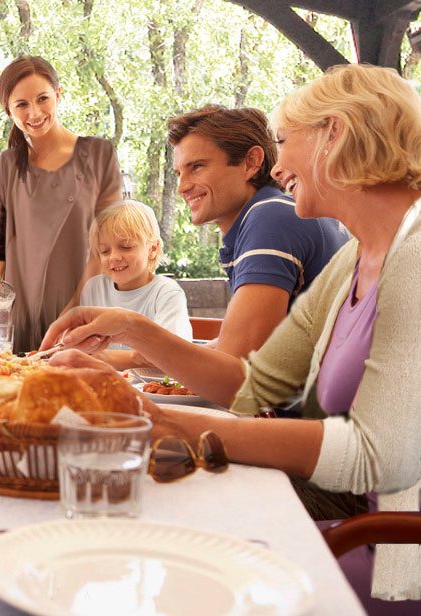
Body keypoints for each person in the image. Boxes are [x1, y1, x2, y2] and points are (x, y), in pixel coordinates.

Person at [43, 64, 421, 612]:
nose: (280, 161)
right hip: (350, 506)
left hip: (386, 542)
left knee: (170, 546)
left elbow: (371, 455)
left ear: (336, 135)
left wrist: (162, 416)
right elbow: (251, 384)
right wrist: (128, 354)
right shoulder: (353, 263)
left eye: (287, 141)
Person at [164, 104, 348, 359]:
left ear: (251, 163)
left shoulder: (271, 217)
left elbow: (234, 368)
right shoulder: (273, 212)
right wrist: (132, 358)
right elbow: (229, 345)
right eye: (179, 173)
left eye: (197, 167)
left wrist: (133, 329)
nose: (182, 187)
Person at [0, 55, 122, 353]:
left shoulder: (99, 155)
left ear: (58, 94)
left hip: (84, 301)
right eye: (21, 105)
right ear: (8, 110)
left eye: (43, 98)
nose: (34, 112)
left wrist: (74, 310)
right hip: (20, 309)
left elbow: (107, 243)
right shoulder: (7, 164)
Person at [77, 200, 191, 347]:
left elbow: (172, 354)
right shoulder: (93, 288)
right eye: (105, 251)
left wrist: (101, 358)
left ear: (152, 249)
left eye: (126, 247)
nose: (114, 257)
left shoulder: (166, 293)